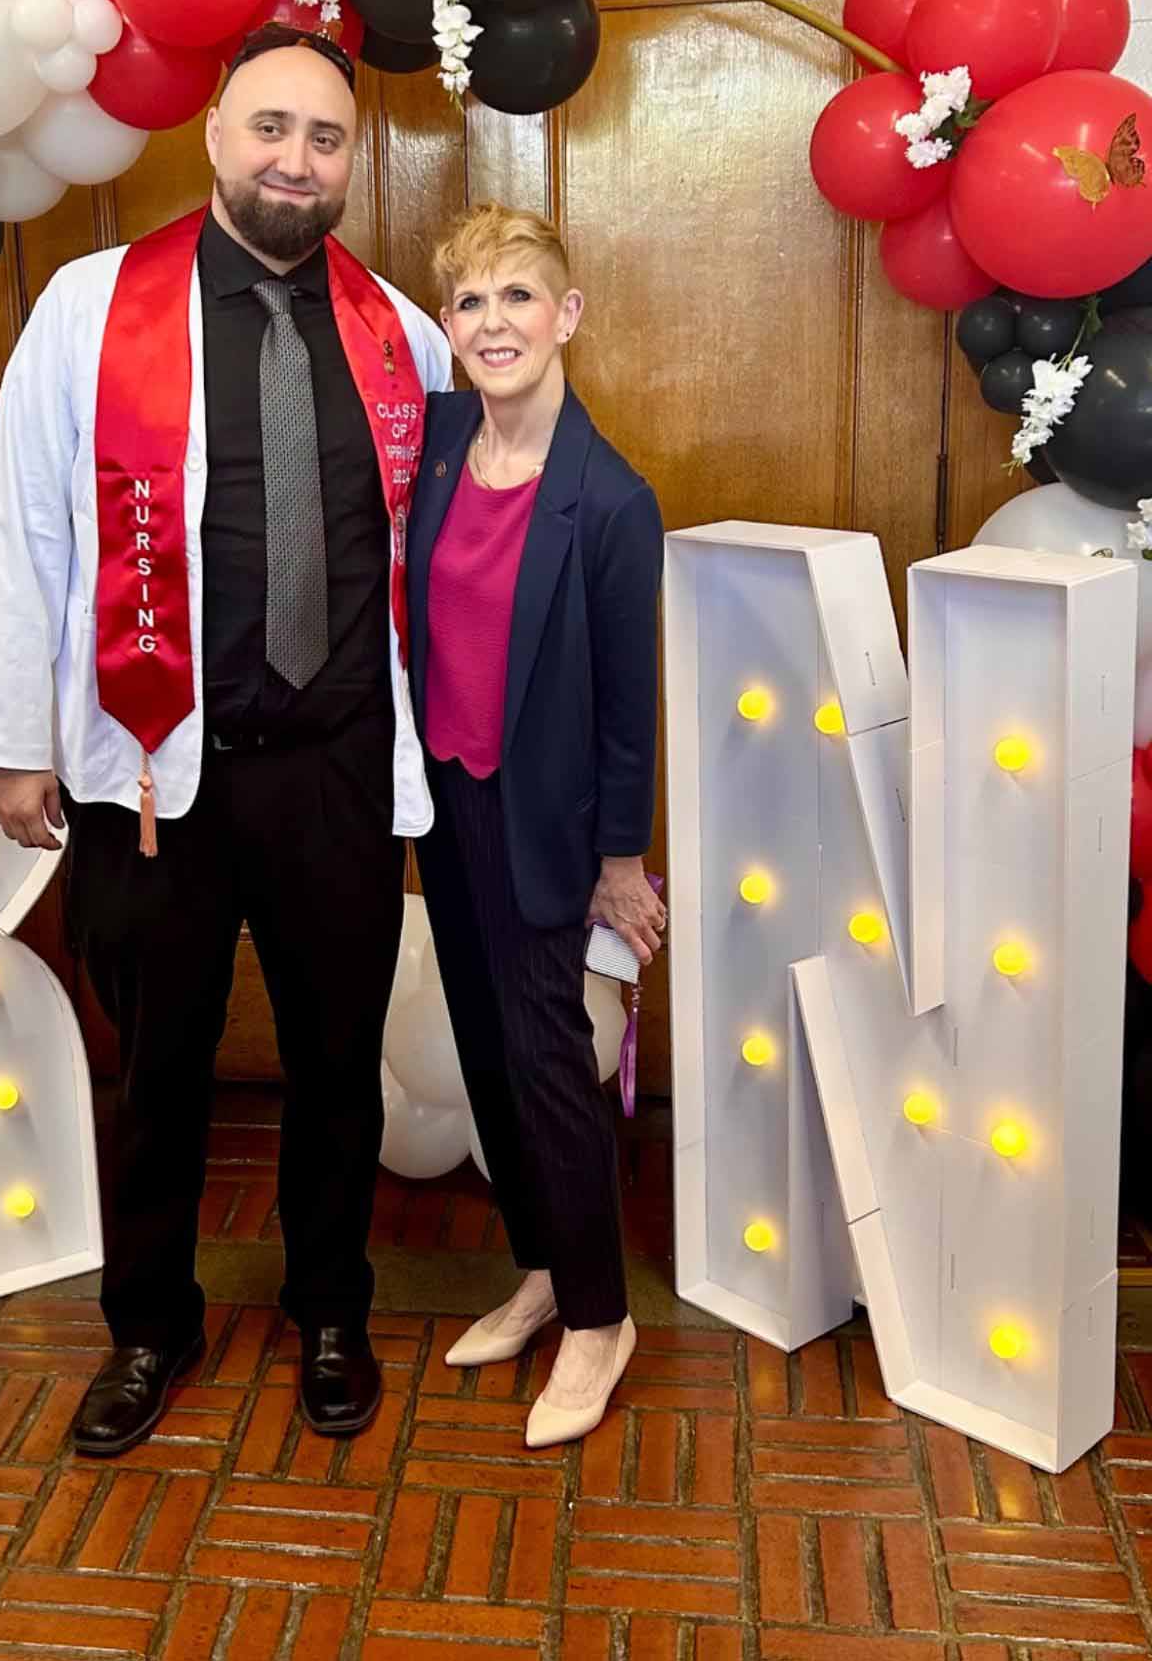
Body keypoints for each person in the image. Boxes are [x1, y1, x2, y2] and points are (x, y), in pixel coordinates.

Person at [0, 25, 450, 1457]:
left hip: (338, 766)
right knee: (157, 1065)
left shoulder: (399, 332)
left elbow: (434, 555)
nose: (295, 159)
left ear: (352, 159)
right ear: (214, 136)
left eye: (325, 137)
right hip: (149, 768)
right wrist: (14, 738)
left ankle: (333, 1305)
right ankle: (149, 1324)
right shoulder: (90, 307)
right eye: (270, 128)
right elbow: (29, 529)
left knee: (336, 1058)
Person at [406, 203, 664, 1449]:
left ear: (566, 317)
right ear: (448, 330)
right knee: (487, 1049)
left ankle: (603, 1317)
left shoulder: (612, 503)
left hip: (547, 819)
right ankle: (543, 1266)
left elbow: (628, 703)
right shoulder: (443, 440)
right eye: (470, 302)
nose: (493, 322)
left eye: (519, 298)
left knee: (550, 1058)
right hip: (447, 802)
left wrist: (621, 859)